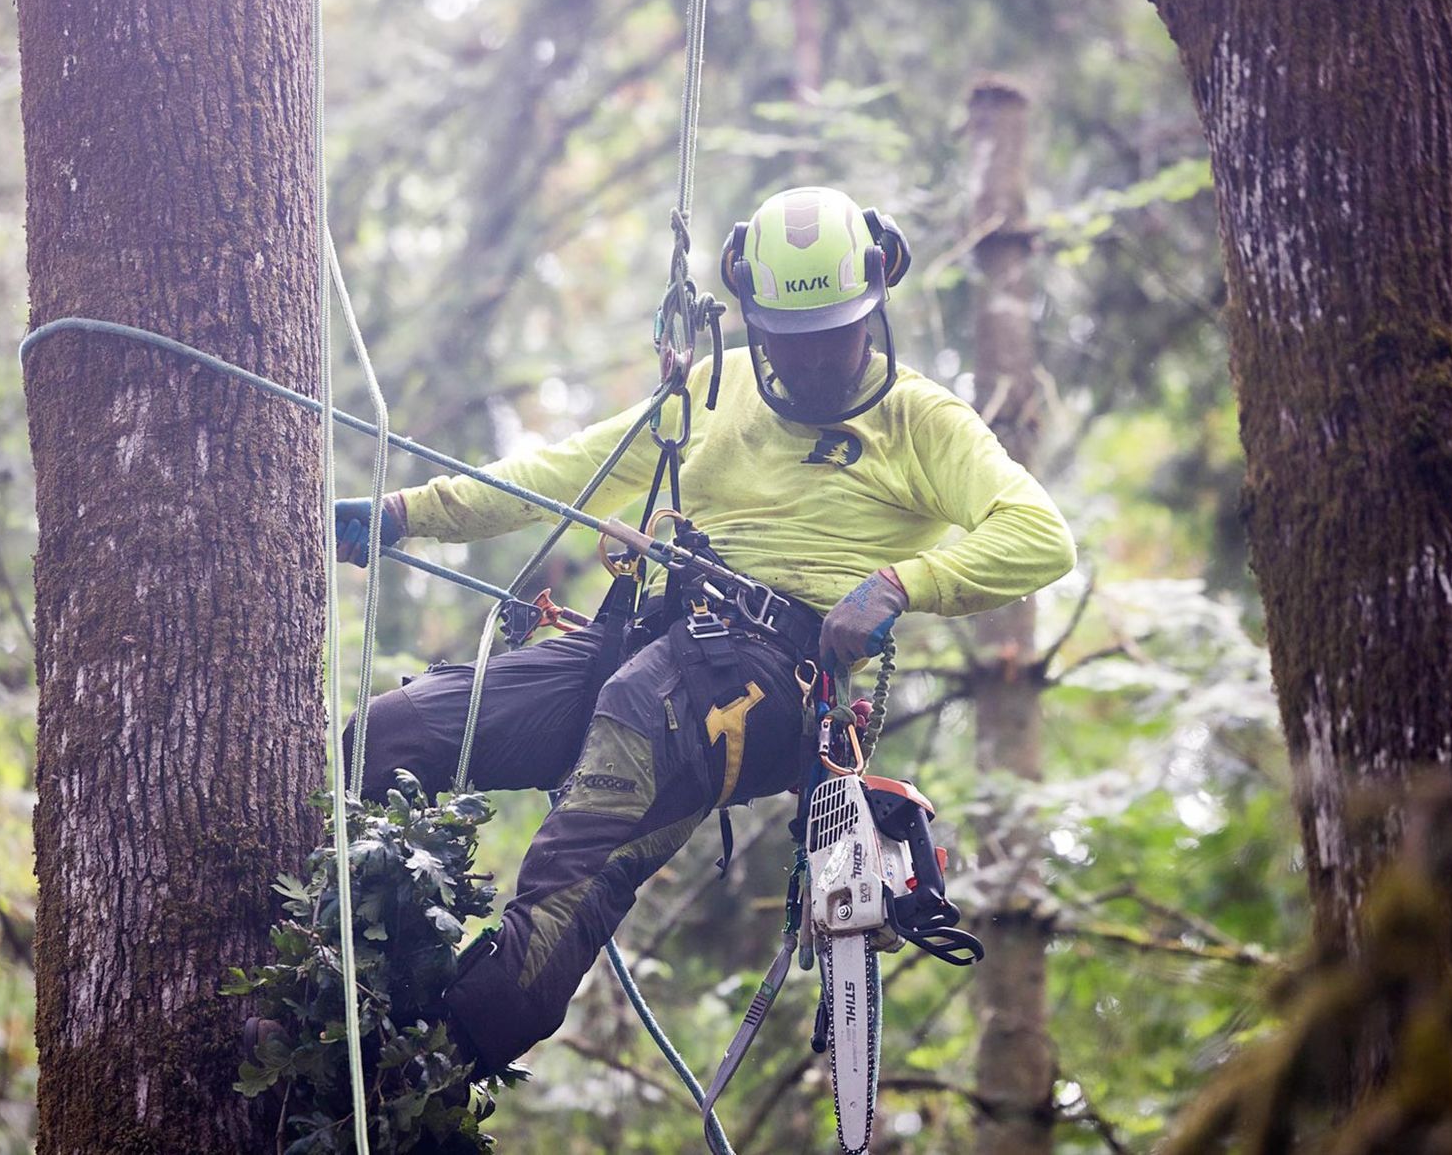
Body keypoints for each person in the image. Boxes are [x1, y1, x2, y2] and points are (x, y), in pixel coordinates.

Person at [332, 185, 1075, 1077]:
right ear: (754, 320)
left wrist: (902, 583)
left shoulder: (919, 422)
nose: (809, 361)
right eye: (788, 339)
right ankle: (343, 974)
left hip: (771, 684)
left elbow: (1040, 534)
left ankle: (444, 1052)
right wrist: (407, 512)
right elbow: (568, 469)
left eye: (831, 334)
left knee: (635, 729)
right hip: (655, 643)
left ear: (877, 302)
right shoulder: (713, 394)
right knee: (387, 740)